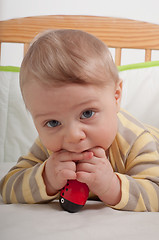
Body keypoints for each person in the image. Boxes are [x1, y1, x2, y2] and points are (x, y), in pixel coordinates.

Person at [0, 29, 159, 211]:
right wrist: (46, 177)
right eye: (53, 123)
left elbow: (156, 192)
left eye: (87, 113)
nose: (73, 135)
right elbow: (7, 187)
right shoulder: (49, 147)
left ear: (116, 97)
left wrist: (111, 186)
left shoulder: (137, 142)